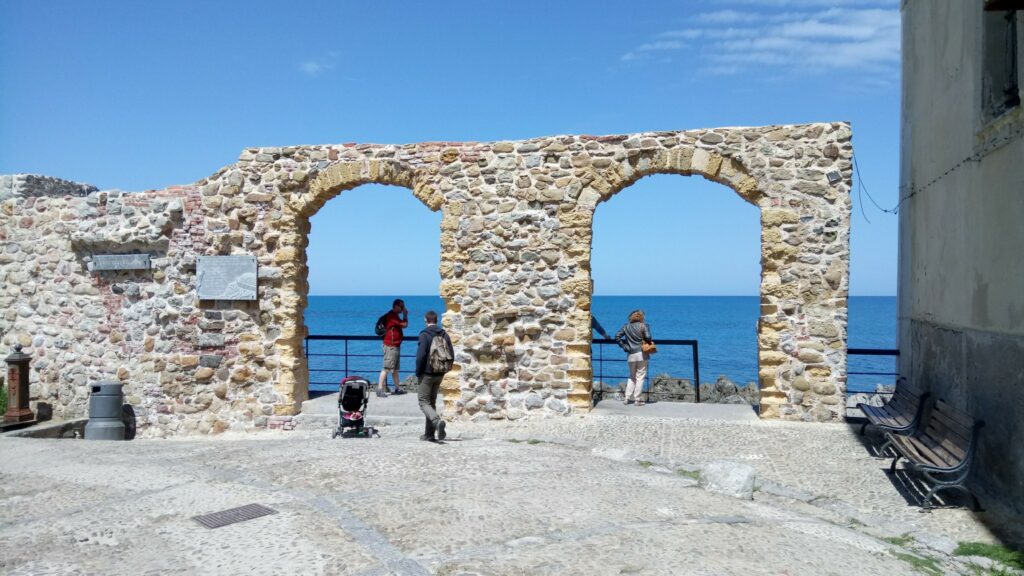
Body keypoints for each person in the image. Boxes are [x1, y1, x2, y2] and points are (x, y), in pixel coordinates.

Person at [415, 310, 453, 442]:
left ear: (426, 320)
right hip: (440, 373)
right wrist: (445, 370)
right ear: (436, 320)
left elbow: (420, 356)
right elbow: (451, 354)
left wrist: (418, 372)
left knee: (423, 402)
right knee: (431, 403)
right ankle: (429, 434)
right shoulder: (444, 334)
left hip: (427, 373)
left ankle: (437, 422)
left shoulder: (424, 335)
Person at [615, 309, 653, 406]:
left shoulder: (626, 326)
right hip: (641, 354)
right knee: (640, 377)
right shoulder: (643, 326)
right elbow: (648, 338)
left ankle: (627, 398)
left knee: (632, 376)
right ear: (641, 317)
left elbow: (617, 336)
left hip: (631, 354)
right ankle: (637, 399)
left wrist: (624, 346)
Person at [377, 298, 409, 397]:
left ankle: (397, 388)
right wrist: (405, 315)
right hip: (390, 346)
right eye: (401, 306)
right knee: (386, 368)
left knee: (395, 369)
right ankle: (379, 389)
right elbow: (404, 324)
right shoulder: (392, 316)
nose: (403, 308)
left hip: (395, 345)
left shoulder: (394, 315)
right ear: (396, 306)